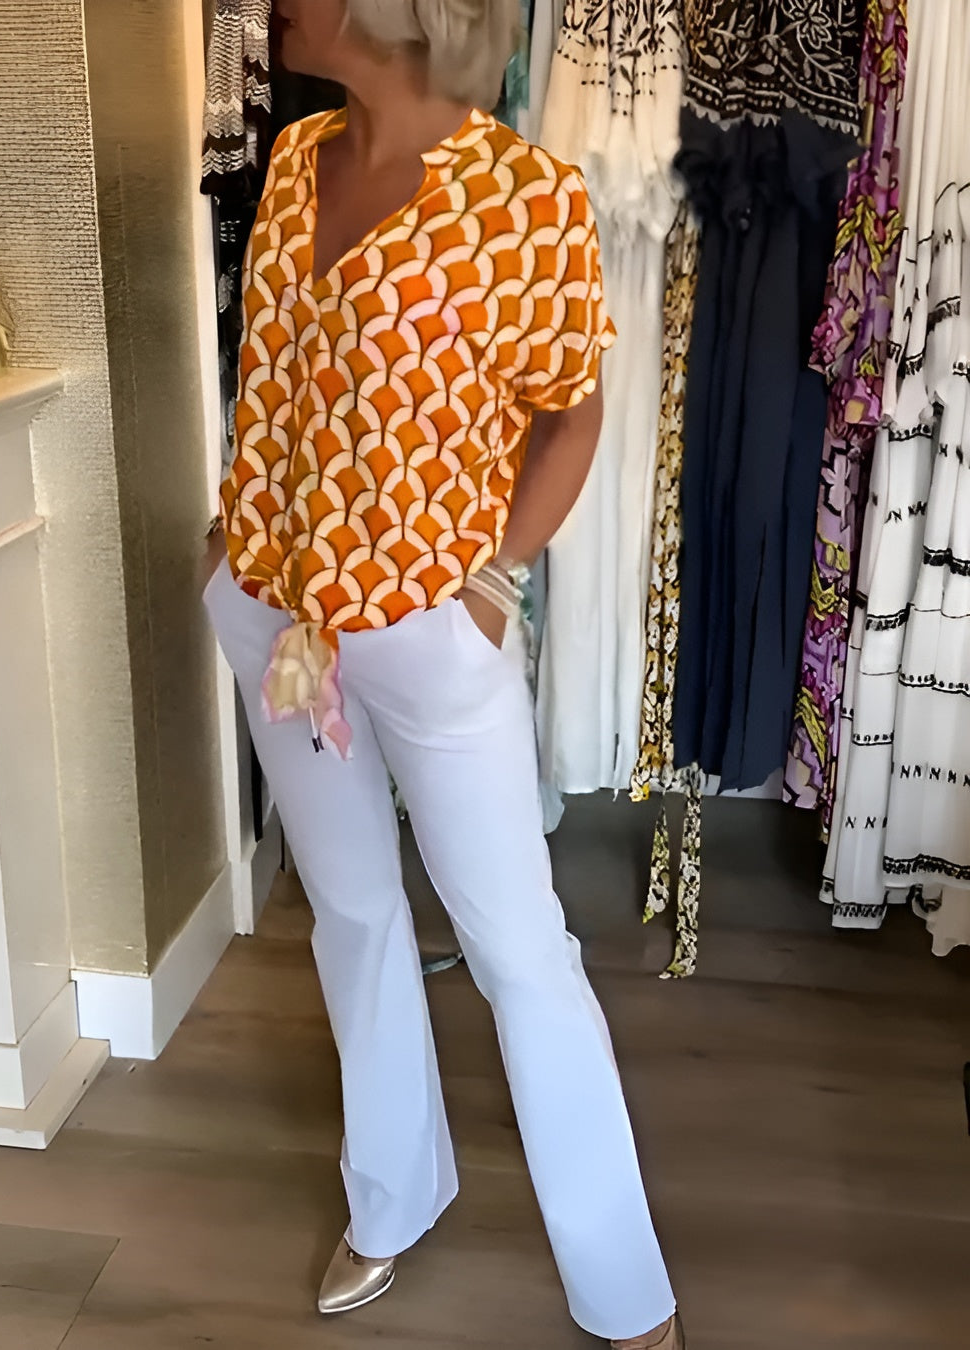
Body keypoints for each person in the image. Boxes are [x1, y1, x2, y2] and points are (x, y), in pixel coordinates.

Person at [203, 1, 683, 1345]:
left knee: (520, 951)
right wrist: (232, 545)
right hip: (276, 617)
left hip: (426, 626)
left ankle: (622, 1286)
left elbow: (571, 412)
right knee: (353, 915)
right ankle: (391, 1194)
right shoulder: (295, 161)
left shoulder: (525, 195)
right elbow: (278, 377)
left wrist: (494, 578)